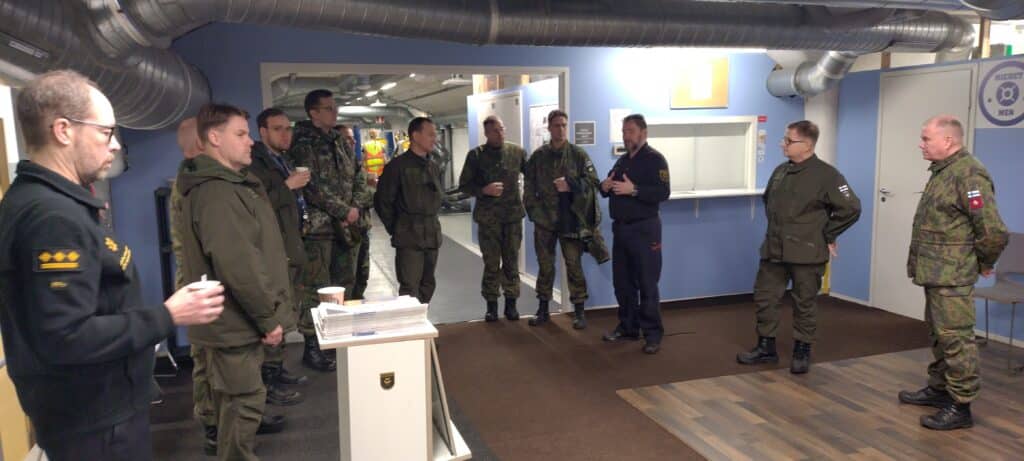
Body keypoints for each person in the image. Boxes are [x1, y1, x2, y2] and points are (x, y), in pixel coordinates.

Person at [0, 69, 224, 461]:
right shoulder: (51, 216)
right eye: (106, 132)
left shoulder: (55, 203)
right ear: (64, 131)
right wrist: (169, 315)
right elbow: (66, 337)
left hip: (97, 410)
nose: (116, 144)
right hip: (94, 421)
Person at [177, 103, 293, 460]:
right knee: (244, 403)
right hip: (235, 322)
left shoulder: (229, 185)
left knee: (234, 403)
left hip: (233, 321)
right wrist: (267, 318)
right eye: (240, 134)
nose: (250, 142)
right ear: (215, 138)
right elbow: (239, 265)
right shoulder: (219, 193)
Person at [898, 115, 1008, 431]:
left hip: (953, 275)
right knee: (939, 334)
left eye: (926, 138)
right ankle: (939, 389)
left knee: (956, 338)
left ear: (948, 141)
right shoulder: (943, 171)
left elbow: (993, 231)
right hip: (935, 271)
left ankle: (960, 405)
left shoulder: (969, 174)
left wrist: (984, 262)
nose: (921, 144)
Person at [736, 120, 861, 374]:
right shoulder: (780, 171)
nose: (783, 144)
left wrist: (828, 234)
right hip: (774, 250)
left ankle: (802, 350)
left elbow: (851, 208)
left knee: (804, 302)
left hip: (806, 253)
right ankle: (766, 347)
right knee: (765, 298)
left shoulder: (827, 175)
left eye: (788, 140)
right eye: (785, 139)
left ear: (807, 145)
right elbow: (769, 202)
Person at [286, 89, 370, 372]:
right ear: (313, 112)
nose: (335, 113)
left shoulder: (340, 140)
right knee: (316, 288)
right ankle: (313, 346)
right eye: (329, 108)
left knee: (344, 283)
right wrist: (343, 211)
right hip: (319, 229)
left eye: (335, 108)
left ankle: (337, 338)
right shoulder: (300, 143)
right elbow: (309, 186)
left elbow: (358, 174)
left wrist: (355, 207)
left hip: (348, 227)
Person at [523, 109, 607, 329]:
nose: (560, 129)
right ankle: (543, 309)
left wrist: (571, 184)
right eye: (556, 125)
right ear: (549, 128)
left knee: (573, 264)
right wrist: (533, 211)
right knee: (545, 266)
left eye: (563, 125)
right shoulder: (539, 156)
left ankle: (579, 311)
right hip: (544, 221)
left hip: (570, 220)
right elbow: (529, 185)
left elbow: (593, 182)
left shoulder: (578, 154)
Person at [249, 107, 310, 404]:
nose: (286, 134)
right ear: (263, 132)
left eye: (288, 128)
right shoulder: (255, 164)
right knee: (273, 311)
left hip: (290, 243)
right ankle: (267, 381)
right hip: (273, 249)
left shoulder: (281, 160)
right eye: (278, 129)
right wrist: (288, 186)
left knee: (286, 309)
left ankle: (277, 368)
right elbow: (257, 207)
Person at [600, 114, 670, 354]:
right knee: (623, 282)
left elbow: (663, 192)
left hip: (645, 230)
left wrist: (635, 190)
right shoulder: (622, 161)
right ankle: (628, 327)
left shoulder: (655, 160)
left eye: (630, 131)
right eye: (623, 131)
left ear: (643, 133)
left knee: (647, 282)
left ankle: (653, 334)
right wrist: (604, 187)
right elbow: (610, 185)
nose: (626, 136)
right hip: (621, 230)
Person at [458, 115, 527, 321]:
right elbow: (464, 186)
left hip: (512, 218)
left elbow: (533, 175)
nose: (500, 133)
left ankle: (511, 304)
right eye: (495, 130)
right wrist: (483, 190)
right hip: (489, 220)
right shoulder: (476, 156)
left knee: (511, 262)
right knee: (491, 264)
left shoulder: (517, 152)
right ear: (487, 133)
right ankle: (491, 306)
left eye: (502, 129)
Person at [374, 117, 443, 303]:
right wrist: (397, 227)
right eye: (430, 134)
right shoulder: (397, 167)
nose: (434, 139)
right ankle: (411, 319)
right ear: (416, 136)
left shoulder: (433, 166)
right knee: (410, 287)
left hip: (431, 234)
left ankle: (422, 316)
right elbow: (382, 201)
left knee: (428, 284)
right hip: (409, 236)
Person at [337, 124, 374, 300]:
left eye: (353, 139)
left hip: (362, 228)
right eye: (347, 138)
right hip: (346, 232)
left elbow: (369, 195)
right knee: (346, 278)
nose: (353, 142)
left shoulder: (357, 165)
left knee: (362, 273)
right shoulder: (336, 169)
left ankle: (358, 303)